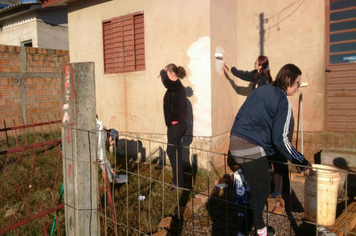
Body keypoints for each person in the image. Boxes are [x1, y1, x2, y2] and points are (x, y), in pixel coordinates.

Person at [229, 64, 312, 236]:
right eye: (297, 83)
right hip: (251, 146)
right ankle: (253, 232)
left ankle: (253, 230)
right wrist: (302, 162)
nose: (297, 88)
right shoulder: (283, 101)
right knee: (262, 190)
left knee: (256, 191)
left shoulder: (261, 90)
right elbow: (281, 139)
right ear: (288, 80)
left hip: (235, 142)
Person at [159, 63, 187, 188]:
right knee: (175, 153)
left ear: (171, 74)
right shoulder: (175, 87)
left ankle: (178, 182)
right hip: (175, 125)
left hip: (176, 126)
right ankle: (178, 181)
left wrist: (162, 72)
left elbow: (166, 82)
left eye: (167, 73)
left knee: (172, 152)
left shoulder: (176, 84)